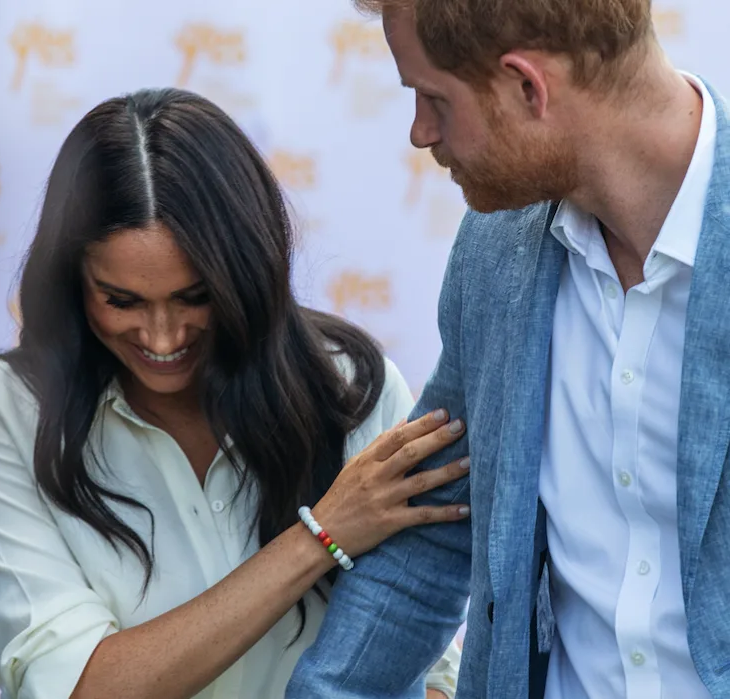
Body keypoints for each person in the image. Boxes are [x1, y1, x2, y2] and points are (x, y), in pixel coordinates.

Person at [0, 88, 468, 699]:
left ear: (248, 272)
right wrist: (322, 535)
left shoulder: (350, 386)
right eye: (121, 301)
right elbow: (77, 689)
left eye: (195, 297)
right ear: (70, 276)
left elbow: (423, 672)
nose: (162, 337)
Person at [286, 0, 730, 698]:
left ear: (528, 87)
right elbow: (434, 530)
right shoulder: (493, 253)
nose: (419, 133)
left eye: (433, 99)